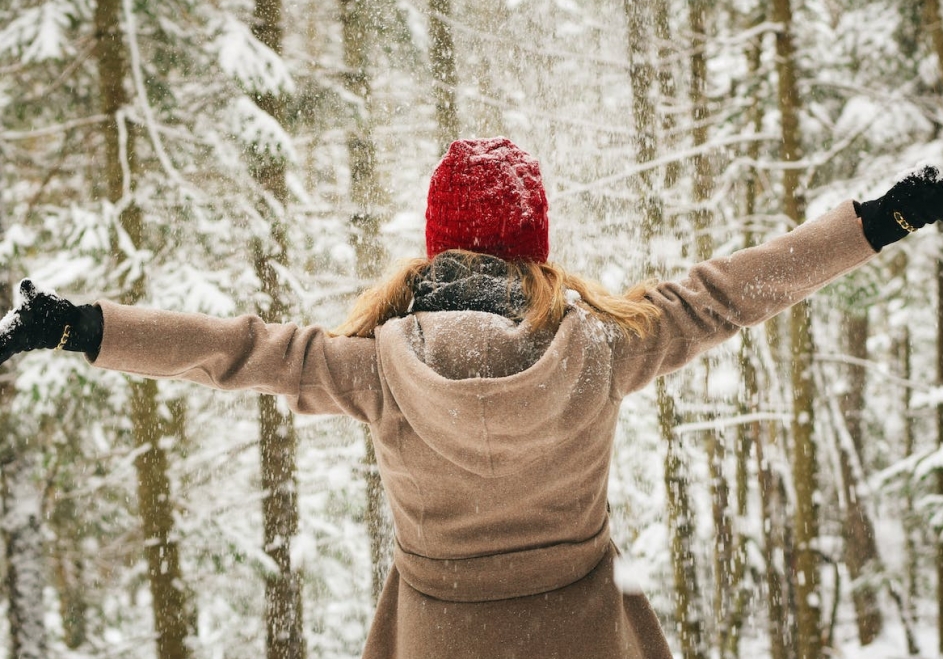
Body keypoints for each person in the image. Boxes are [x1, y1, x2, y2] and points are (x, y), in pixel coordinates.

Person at [0, 137, 940, 659]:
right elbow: (733, 289)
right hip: (584, 641)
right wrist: (884, 216)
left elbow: (237, 352)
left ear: (434, 245)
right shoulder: (604, 347)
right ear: (534, 246)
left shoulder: (372, 369)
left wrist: (81, 326)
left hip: (434, 640)